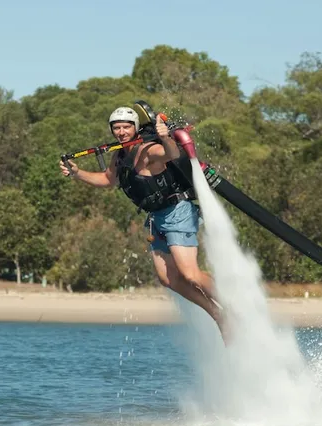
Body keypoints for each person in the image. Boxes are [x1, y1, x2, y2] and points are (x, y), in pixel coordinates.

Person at [59, 106, 229, 343]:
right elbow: (108, 180)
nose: (121, 132)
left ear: (136, 128)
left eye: (126, 127)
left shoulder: (148, 150)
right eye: (116, 128)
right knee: (169, 279)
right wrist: (77, 173)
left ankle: (234, 309)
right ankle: (218, 314)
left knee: (190, 274)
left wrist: (165, 137)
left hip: (177, 212)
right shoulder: (119, 155)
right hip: (156, 219)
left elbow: (171, 153)